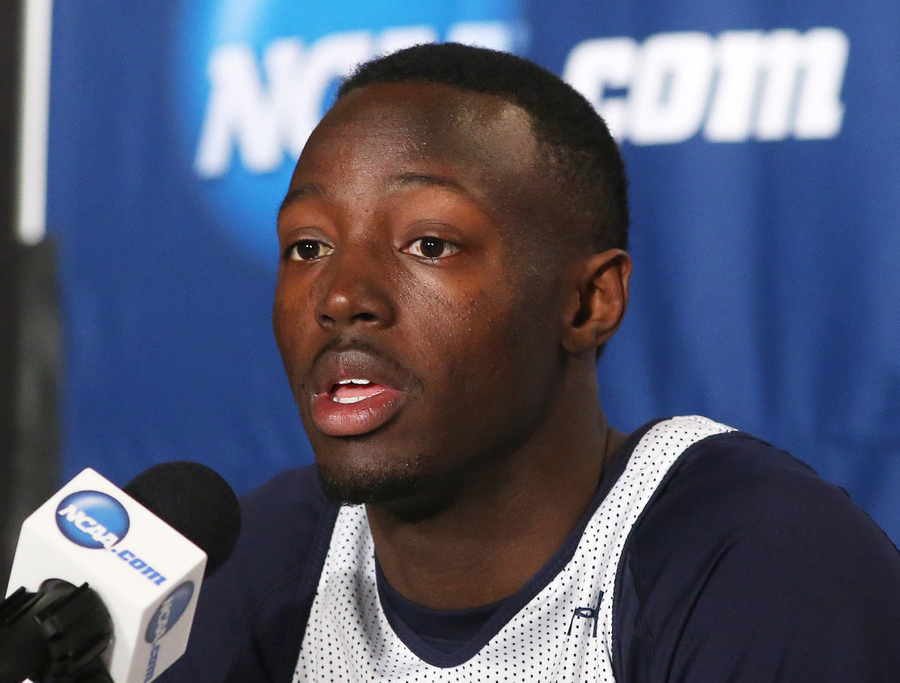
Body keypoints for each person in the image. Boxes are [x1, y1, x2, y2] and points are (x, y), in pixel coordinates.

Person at [162, 43, 900, 682]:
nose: (342, 296)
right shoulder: (262, 564)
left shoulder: (757, 560)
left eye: (429, 244)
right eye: (308, 247)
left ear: (587, 302)